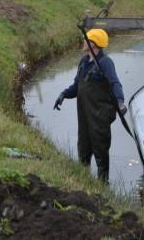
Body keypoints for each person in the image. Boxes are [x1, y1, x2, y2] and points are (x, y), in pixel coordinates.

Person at [53, 28, 125, 183]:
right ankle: (83, 182)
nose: (83, 42)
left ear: (93, 44)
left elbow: (115, 83)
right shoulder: (83, 62)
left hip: (100, 116)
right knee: (83, 150)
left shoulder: (105, 63)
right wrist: (63, 94)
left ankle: (103, 185)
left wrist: (120, 102)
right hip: (85, 116)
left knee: (101, 152)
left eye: (86, 40)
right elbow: (77, 86)